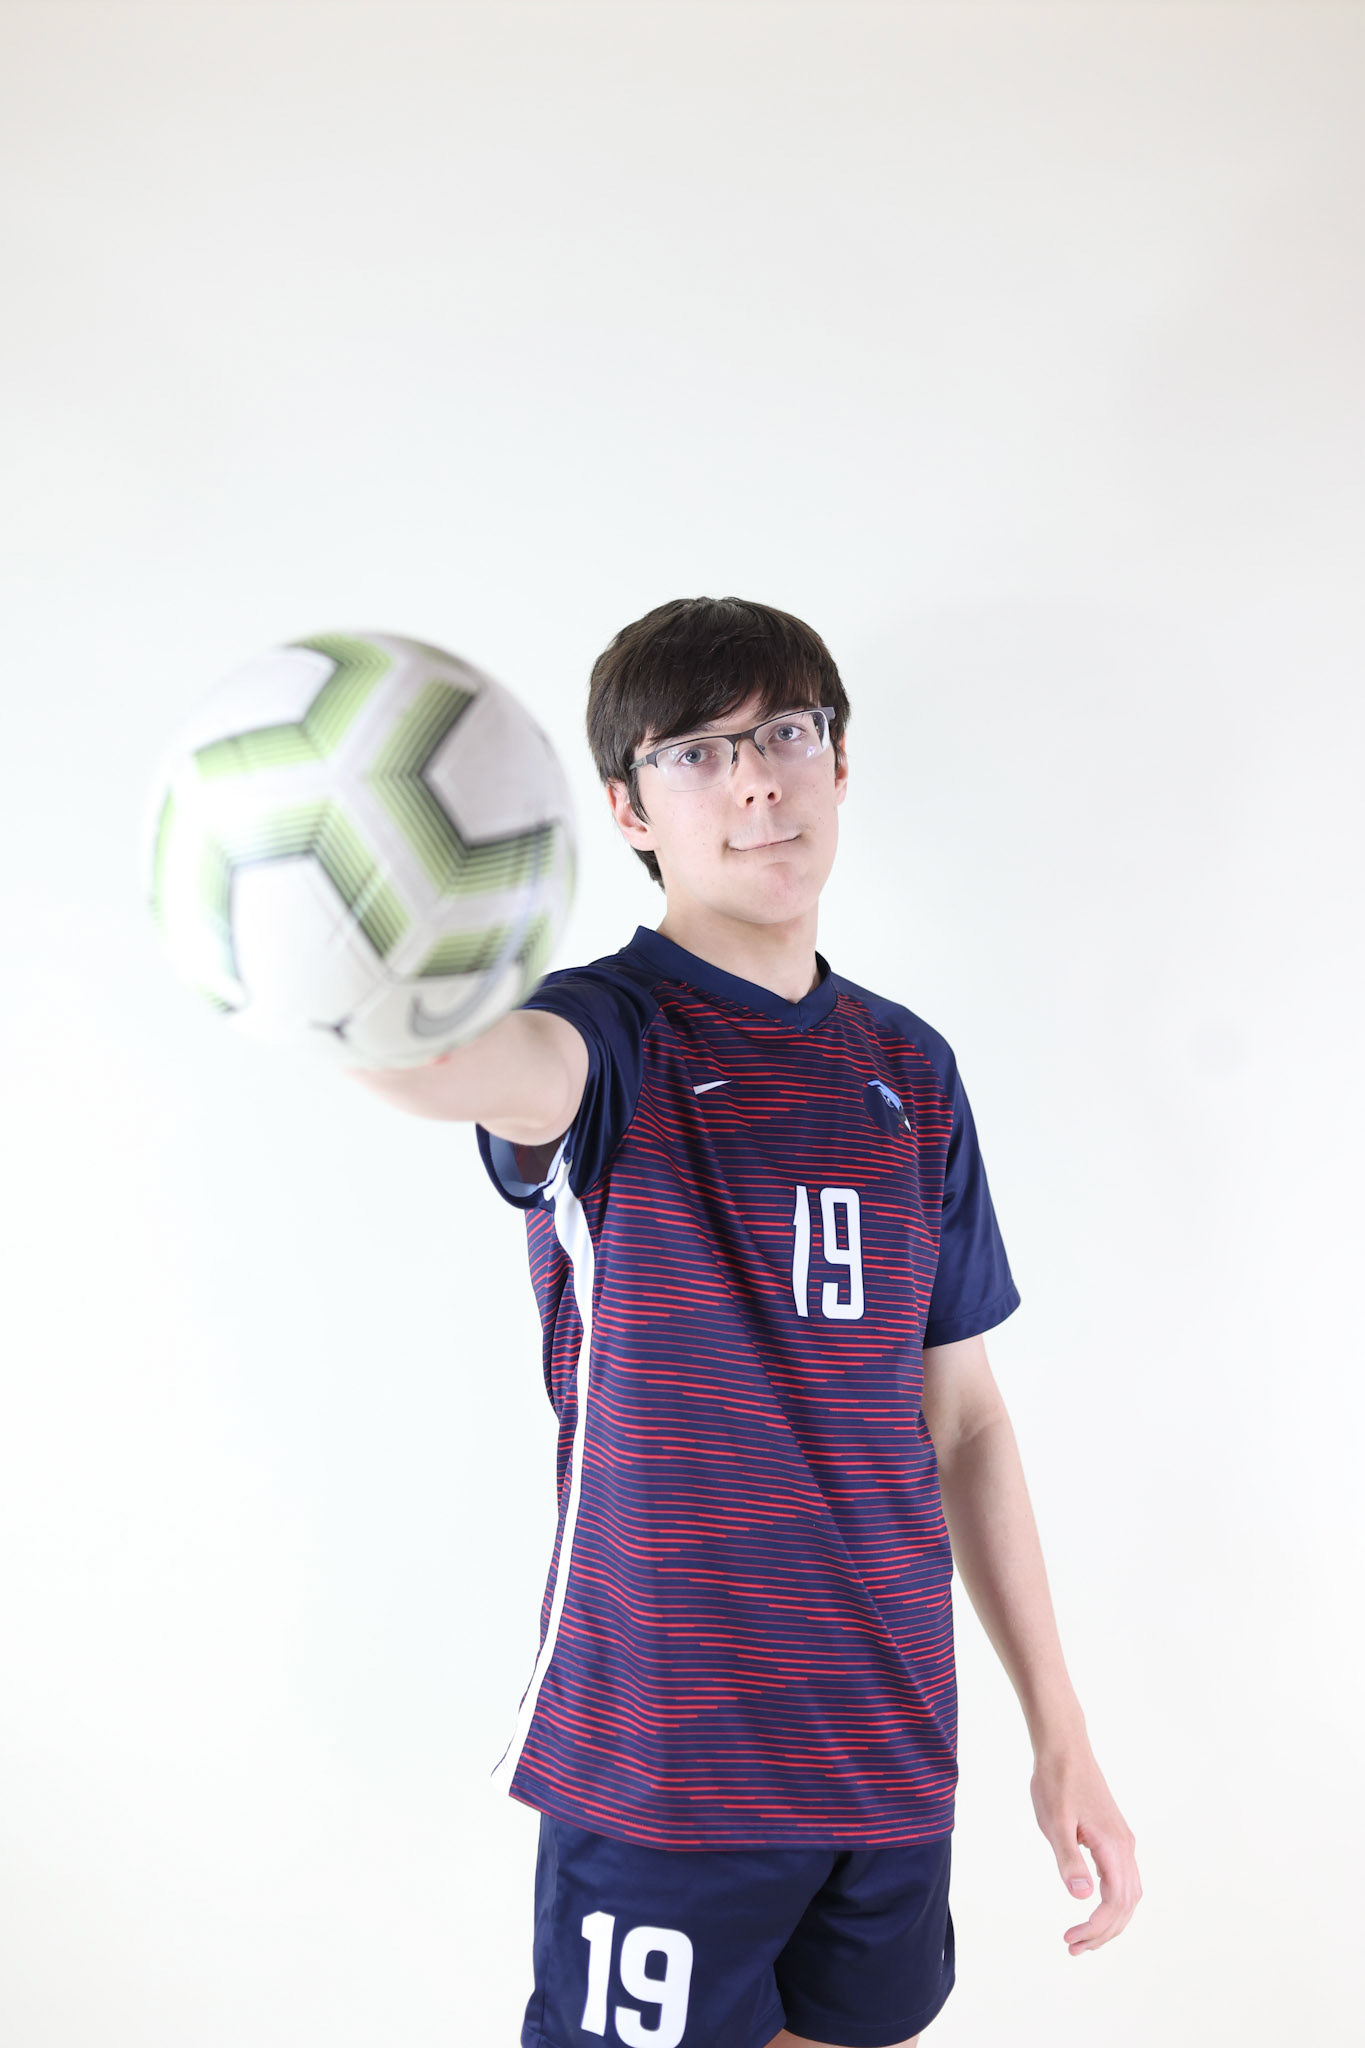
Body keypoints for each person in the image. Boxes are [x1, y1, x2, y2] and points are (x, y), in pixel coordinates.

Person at [350, 596, 1141, 2048]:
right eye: (698, 753)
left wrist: (1059, 1731)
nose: (757, 782)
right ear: (627, 808)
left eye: (784, 734)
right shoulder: (607, 1035)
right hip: (670, 1761)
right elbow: (465, 1070)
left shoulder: (910, 1068)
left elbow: (964, 1420)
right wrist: (343, 983)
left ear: (839, 762)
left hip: (888, 1742)